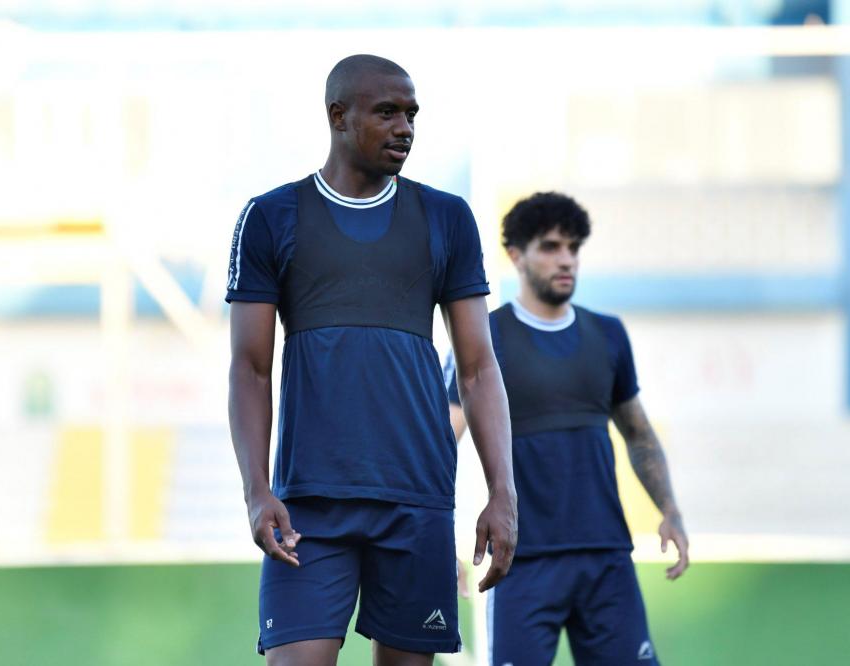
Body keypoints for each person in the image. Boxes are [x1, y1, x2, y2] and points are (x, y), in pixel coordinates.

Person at [226, 54, 517, 666]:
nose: (405, 128)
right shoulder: (271, 217)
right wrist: (256, 490)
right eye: (387, 112)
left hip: (418, 500)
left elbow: (478, 369)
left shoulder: (446, 218)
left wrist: (502, 492)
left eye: (412, 115)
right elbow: (250, 369)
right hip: (308, 506)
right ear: (338, 116)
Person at [445, 192, 689, 666]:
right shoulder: (484, 339)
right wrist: (437, 535)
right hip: (520, 562)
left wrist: (670, 509)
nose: (567, 259)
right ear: (516, 255)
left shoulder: (608, 335)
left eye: (574, 247)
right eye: (551, 247)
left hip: (606, 561)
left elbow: (638, 433)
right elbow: (439, 443)